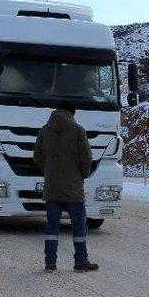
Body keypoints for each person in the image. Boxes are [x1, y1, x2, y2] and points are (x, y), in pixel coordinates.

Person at [33, 100, 99, 273]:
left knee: (51, 228)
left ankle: (50, 264)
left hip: (52, 188)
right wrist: (81, 175)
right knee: (79, 227)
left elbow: (37, 157)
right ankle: (80, 262)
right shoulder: (78, 130)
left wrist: (49, 172)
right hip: (73, 188)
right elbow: (86, 159)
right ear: (72, 113)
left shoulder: (44, 131)